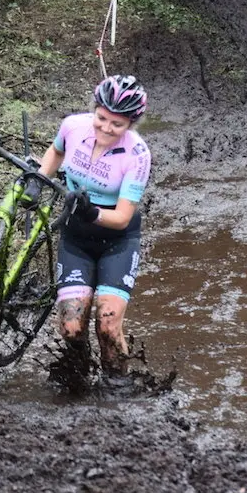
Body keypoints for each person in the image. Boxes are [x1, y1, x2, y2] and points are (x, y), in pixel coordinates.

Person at [23, 75, 151, 380]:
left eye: (116, 124)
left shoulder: (137, 155)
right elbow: (56, 152)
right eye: (102, 118)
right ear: (94, 110)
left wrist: (92, 212)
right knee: (71, 325)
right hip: (77, 237)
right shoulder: (73, 126)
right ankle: (79, 374)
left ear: (131, 124)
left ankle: (117, 386)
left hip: (117, 240)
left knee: (107, 325)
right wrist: (39, 181)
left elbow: (121, 217)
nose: (106, 128)